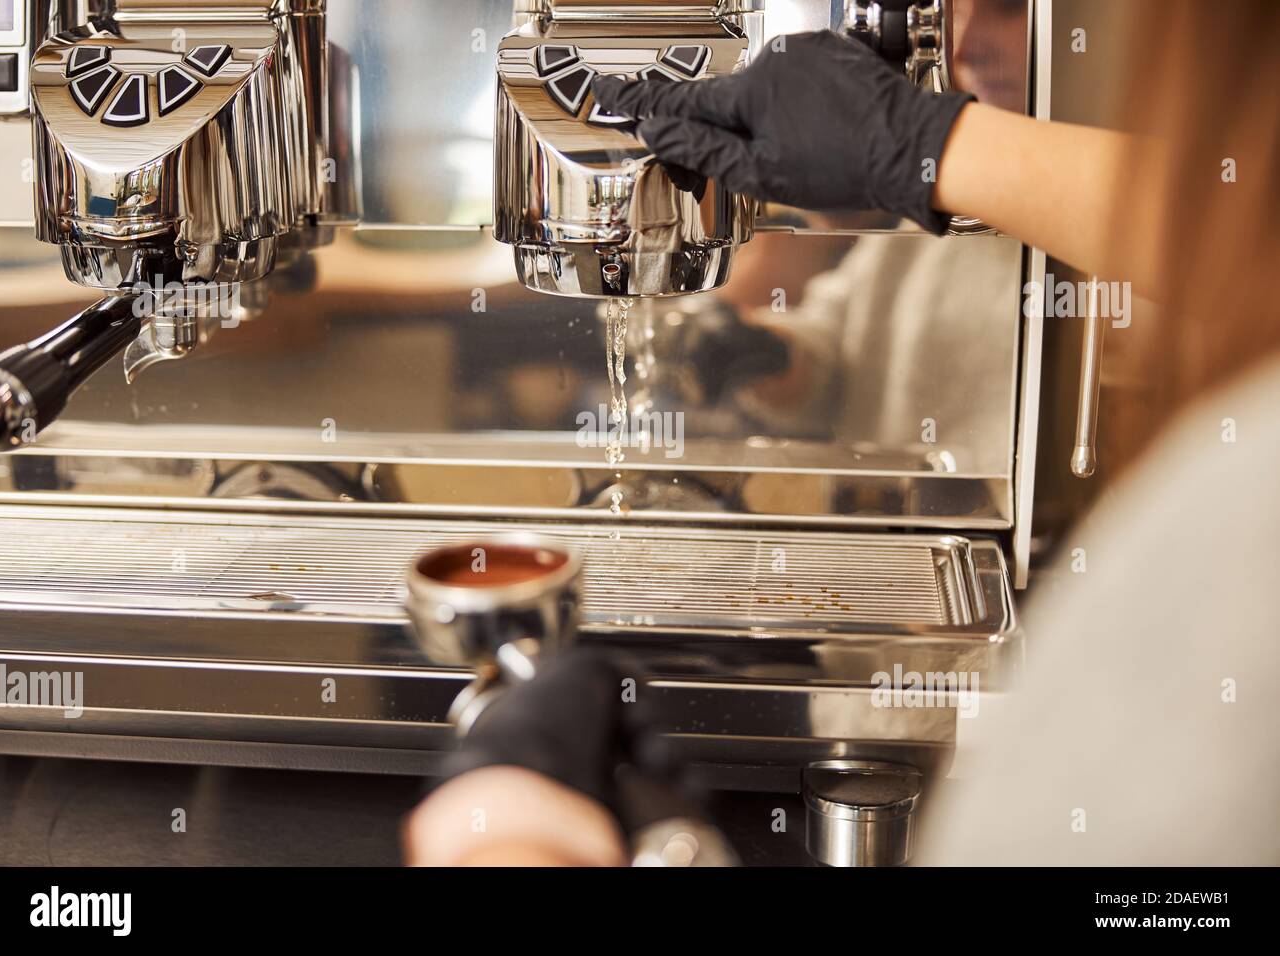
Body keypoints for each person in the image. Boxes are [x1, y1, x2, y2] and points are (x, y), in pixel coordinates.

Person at [405, 1, 1280, 865]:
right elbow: (842, 344)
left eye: (1012, 10)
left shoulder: (1153, 344)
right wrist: (764, 354)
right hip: (875, 683)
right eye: (955, 9)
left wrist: (512, 824)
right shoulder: (940, 221)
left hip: (955, 685)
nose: (970, 39)